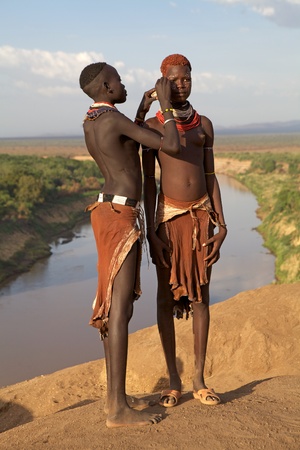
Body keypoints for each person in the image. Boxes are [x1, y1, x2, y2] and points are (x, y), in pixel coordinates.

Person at [79, 62, 180, 428]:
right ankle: (118, 412)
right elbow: (170, 142)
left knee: (112, 305)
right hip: (121, 216)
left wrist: (139, 106)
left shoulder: (93, 119)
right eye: (119, 81)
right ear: (106, 86)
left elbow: (128, 137)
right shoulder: (112, 120)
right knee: (119, 309)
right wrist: (166, 106)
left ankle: (115, 398)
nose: (123, 84)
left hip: (107, 210)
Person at [142, 54, 227, 408]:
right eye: (174, 79)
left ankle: (199, 380)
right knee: (165, 297)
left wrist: (221, 223)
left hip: (201, 219)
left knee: (201, 297)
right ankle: (173, 382)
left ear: (193, 79)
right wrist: (151, 231)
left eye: (186, 78)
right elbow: (149, 182)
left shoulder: (203, 124)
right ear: (163, 81)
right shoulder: (151, 125)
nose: (181, 84)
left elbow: (210, 176)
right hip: (170, 219)